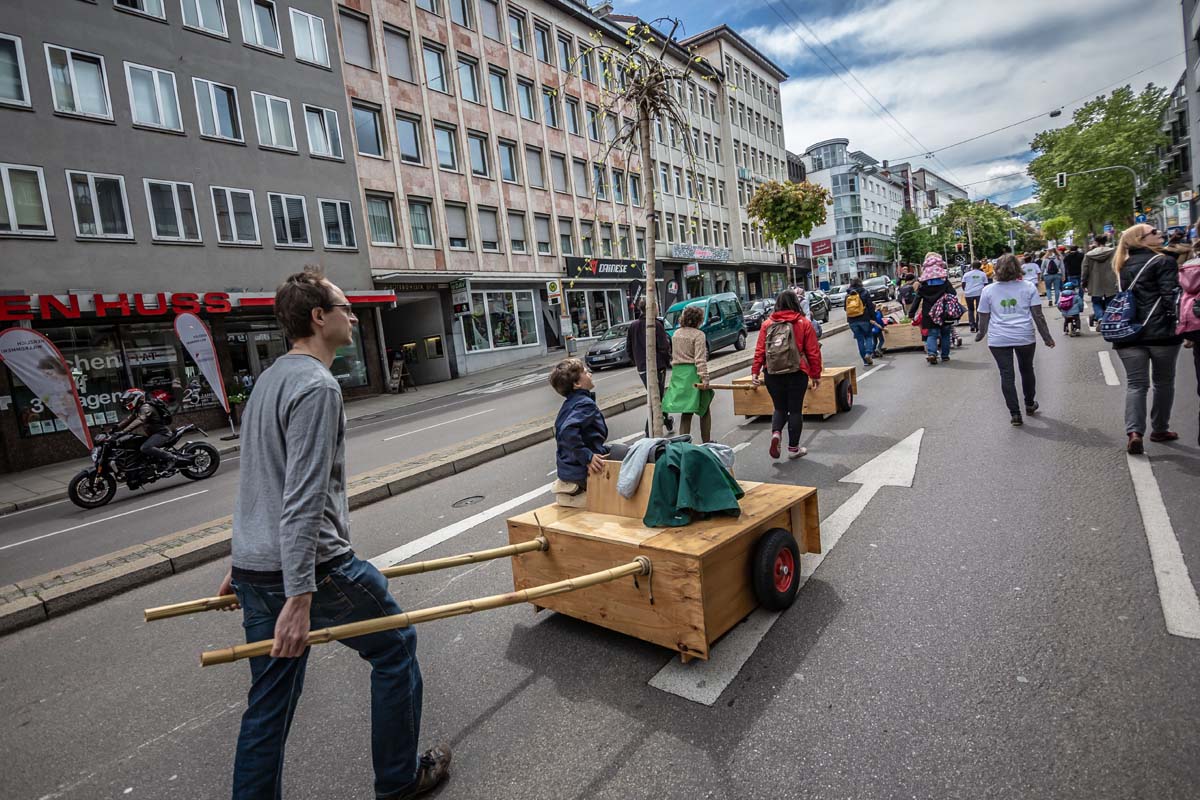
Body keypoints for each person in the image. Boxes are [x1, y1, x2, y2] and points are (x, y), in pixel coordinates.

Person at [219, 266, 450, 800]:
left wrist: (242, 562)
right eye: (344, 307)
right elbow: (300, 496)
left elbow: (258, 482)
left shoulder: (268, 382)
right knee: (396, 646)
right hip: (314, 570)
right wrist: (299, 595)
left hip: (258, 568)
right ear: (318, 317)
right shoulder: (316, 386)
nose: (352, 315)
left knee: (269, 701)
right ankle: (398, 781)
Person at [1109, 223, 1182, 454]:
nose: (1160, 233)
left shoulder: (1122, 265)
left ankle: (1134, 432)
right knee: (1163, 382)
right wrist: (1178, 322)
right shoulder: (1164, 261)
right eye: (1154, 232)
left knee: (1136, 385)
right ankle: (1160, 429)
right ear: (1142, 239)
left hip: (1128, 334)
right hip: (1161, 334)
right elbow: (1170, 295)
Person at [976, 254, 1056, 425]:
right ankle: (1029, 404)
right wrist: (1047, 338)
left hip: (998, 339)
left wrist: (981, 334)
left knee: (1006, 375)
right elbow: (1038, 315)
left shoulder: (988, 290)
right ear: (1018, 269)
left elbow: (983, 316)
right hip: (1024, 336)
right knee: (1027, 369)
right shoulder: (1028, 287)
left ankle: (1015, 414)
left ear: (997, 269)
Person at [751, 290, 823, 459]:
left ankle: (776, 433)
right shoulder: (803, 323)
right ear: (795, 303)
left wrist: (755, 371)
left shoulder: (767, 324)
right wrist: (816, 374)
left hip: (772, 372)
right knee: (795, 410)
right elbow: (813, 352)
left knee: (779, 407)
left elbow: (760, 350)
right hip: (797, 372)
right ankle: (793, 448)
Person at [662, 305, 715, 443]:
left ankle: (682, 444)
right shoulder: (699, 335)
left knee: (686, 411)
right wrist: (705, 378)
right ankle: (707, 443)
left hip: (679, 374)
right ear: (698, 319)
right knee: (704, 408)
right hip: (693, 374)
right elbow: (700, 359)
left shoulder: (676, 334)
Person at [626, 298, 673, 434]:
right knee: (656, 399)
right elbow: (664, 346)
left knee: (657, 397)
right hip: (657, 367)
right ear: (652, 308)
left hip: (642, 368)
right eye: (656, 306)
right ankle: (649, 432)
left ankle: (666, 420)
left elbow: (628, 348)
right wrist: (666, 361)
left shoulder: (633, 326)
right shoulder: (655, 324)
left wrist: (637, 361)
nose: (658, 309)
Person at [113, 387, 192, 466]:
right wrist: (115, 428)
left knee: (145, 448)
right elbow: (128, 419)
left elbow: (140, 420)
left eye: (128, 400)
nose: (126, 402)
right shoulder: (137, 409)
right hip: (153, 434)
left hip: (162, 434)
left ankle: (172, 458)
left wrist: (124, 431)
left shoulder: (146, 408)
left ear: (138, 398)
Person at [907, 254, 955, 365]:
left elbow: (917, 299)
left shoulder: (923, 284)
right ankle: (945, 356)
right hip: (944, 311)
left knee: (932, 334)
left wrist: (911, 313)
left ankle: (932, 353)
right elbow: (953, 293)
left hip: (929, 312)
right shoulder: (945, 281)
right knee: (945, 334)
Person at [1081, 234, 1118, 328]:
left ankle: (1100, 318)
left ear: (1096, 242)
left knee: (1096, 302)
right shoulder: (1114, 252)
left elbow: (1085, 270)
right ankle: (1110, 320)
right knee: (1110, 302)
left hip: (1095, 283)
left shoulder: (1089, 255)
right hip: (1111, 282)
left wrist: (1083, 282)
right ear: (1105, 242)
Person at [844, 277, 878, 367]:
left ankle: (865, 361)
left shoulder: (848, 295)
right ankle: (868, 353)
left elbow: (845, 308)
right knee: (868, 336)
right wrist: (873, 318)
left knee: (860, 340)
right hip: (864, 319)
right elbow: (870, 306)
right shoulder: (865, 292)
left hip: (852, 320)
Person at [961, 260, 988, 332]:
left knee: (970, 309)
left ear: (972, 266)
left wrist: (966, 291)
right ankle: (978, 325)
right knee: (979, 309)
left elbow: (963, 284)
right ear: (980, 266)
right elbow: (985, 284)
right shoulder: (983, 274)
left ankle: (972, 325)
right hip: (979, 293)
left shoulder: (966, 274)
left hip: (969, 293)